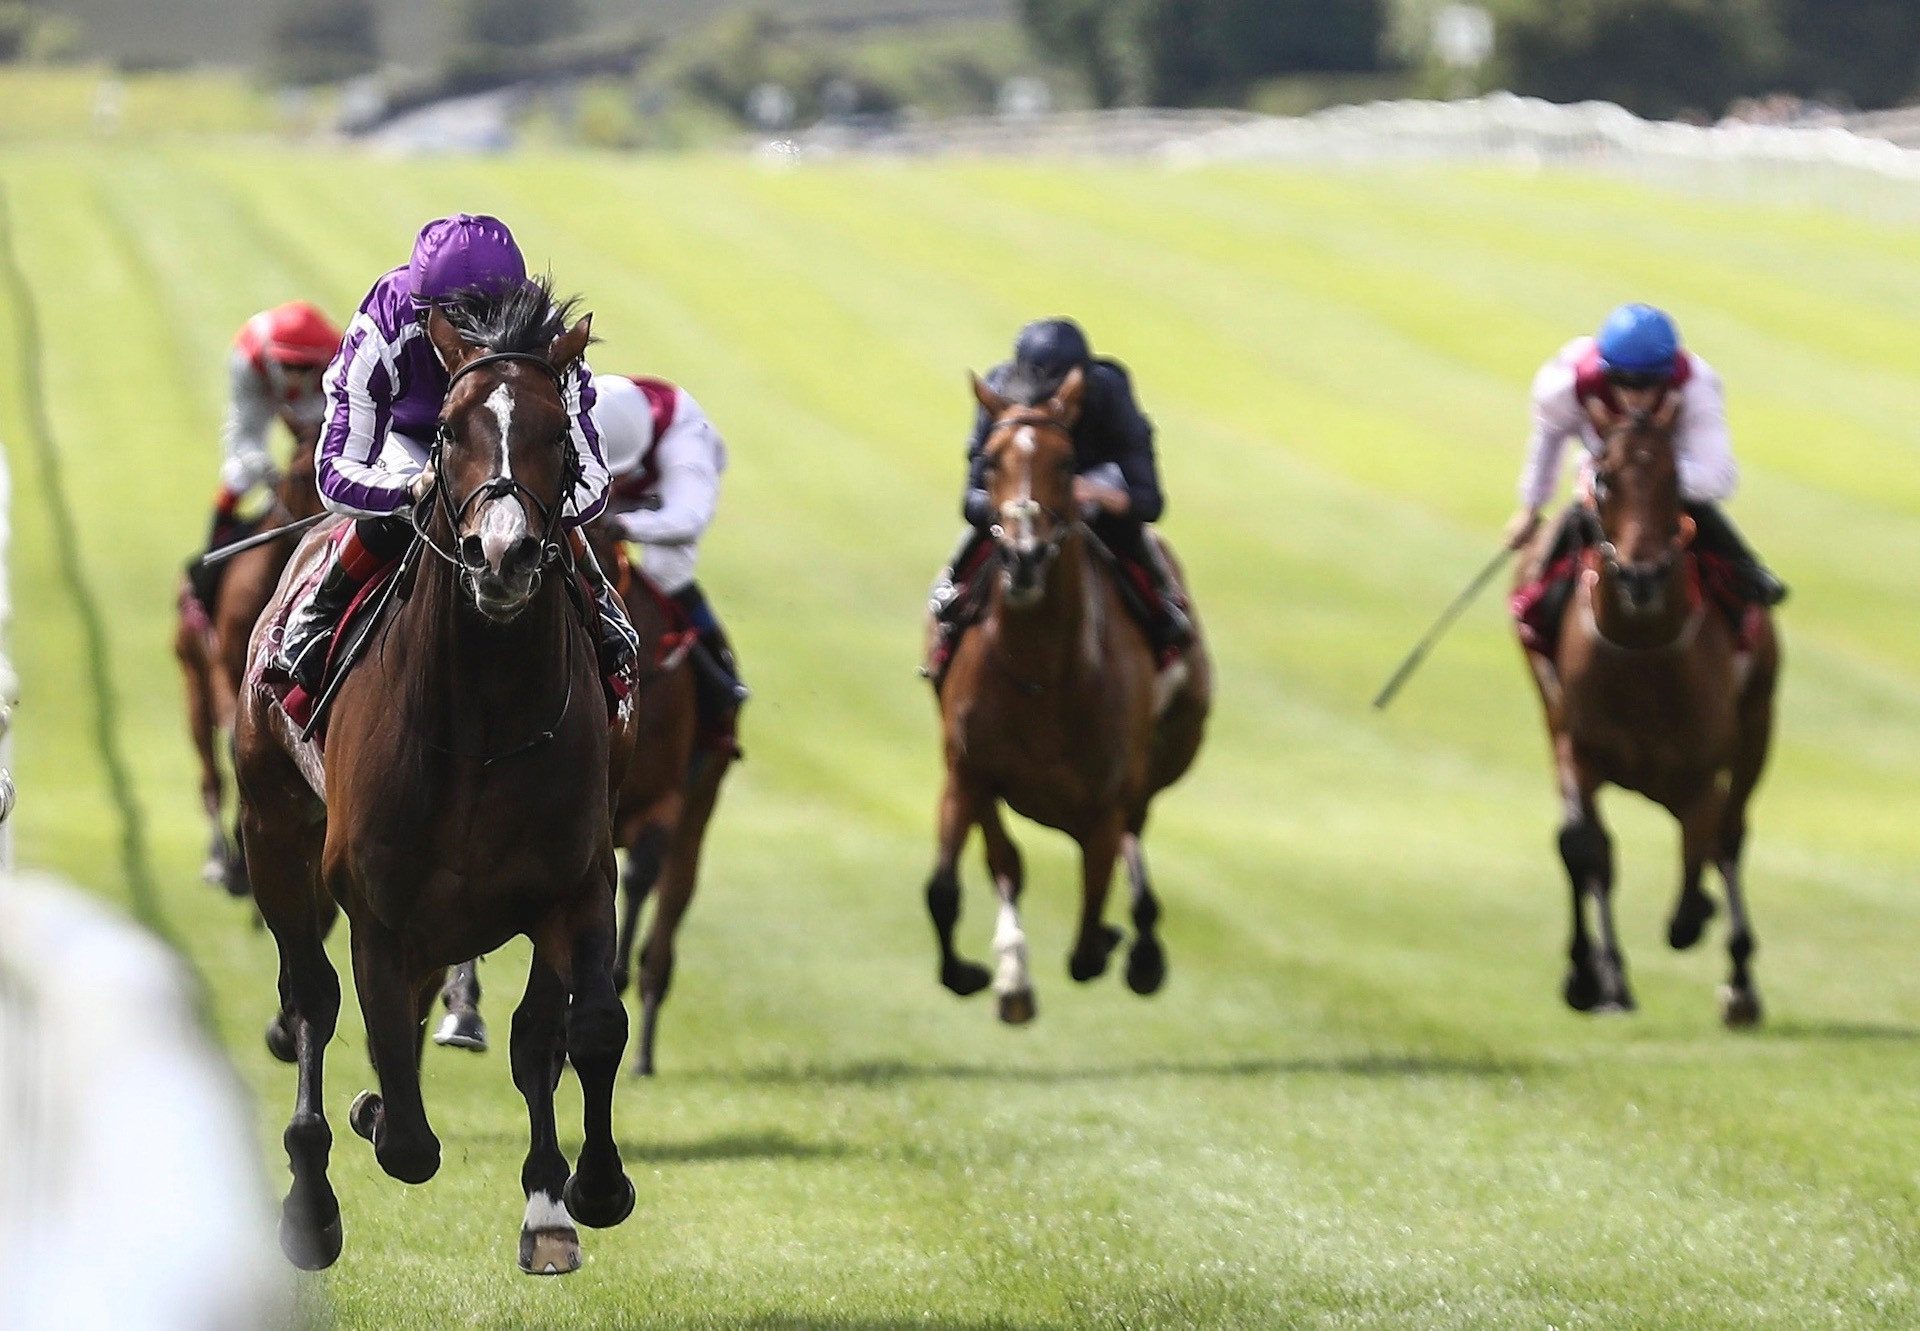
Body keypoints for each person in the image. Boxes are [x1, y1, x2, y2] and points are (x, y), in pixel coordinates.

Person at [272, 213, 635, 695]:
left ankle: (601, 601)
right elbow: (336, 474)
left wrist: (525, 507)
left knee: (537, 495)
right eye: (459, 325)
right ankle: (321, 607)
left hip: (507, 439)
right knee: (399, 510)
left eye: (492, 317)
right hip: (408, 439)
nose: (479, 340)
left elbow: (590, 481)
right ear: (425, 315)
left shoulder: (547, 339)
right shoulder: (382, 328)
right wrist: (415, 489)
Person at [925, 317, 1192, 682]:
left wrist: (1092, 493)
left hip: (1098, 491)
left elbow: (1149, 503)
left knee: (1137, 541)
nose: (1054, 405)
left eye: (1065, 396)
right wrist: (1012, 505)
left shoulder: (1111, 393)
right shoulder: (998, 394)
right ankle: (950, 607)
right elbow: (972, 501)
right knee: (975, 548)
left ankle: (1165, 610)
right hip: (1023, 505)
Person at [1506, 303, 1787, 609]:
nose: (1636, 397)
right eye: (1623, 382)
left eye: (1649, 384)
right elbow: (1548, 439)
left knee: (1711, 530)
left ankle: (1748, 578)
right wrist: (1531, 507)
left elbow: (1718, 478)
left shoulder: (1697, 387)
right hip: (1602, 478)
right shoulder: (1565, 385)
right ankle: (1539, 611)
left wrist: (1647, 477)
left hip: (1671, 482)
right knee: (1544, 577)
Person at [590, 373, 748, 746]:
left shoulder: (687, 447)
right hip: (618, 477)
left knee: (667, 572)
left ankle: (718, 676)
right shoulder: (595, 405)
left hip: (665, 500)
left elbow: (688, 521)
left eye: (618, 477)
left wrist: (621, 526)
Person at [189, 301, 341, 609]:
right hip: (258, 388)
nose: (295, 376)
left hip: (319, 396)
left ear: (320, 362)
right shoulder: (248, 358)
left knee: (324, 460)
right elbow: (245, 436)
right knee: (239, 474)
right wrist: (270, 475)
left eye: (303, 367)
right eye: (288, 366)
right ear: (273, 358)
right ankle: (210, 571)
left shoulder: (339, 358)